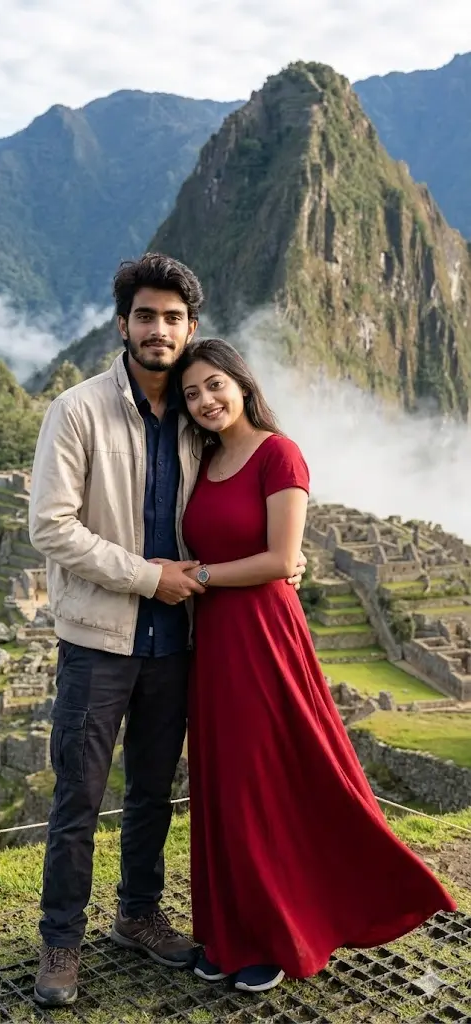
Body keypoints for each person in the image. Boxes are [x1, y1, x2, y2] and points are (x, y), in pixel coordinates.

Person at [28, 253, 307, 1006]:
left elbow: (246, 506)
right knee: (79, 796)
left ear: (191, 330)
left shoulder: (198, 424)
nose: (159, 329)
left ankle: (138, 915)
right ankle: (61, 942)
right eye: (145, 316)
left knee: (154, 792)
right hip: (100, 638)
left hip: (177, 643)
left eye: (173, 318)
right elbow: (50, 528)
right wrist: (153, 576)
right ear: (123, 325)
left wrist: (284, 559)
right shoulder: (79, 409)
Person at [176, 337, 457, 995]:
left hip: (264, 634)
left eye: (215, 384)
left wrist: (201, 575)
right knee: (223, 782)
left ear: (241, 382)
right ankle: (230, 931)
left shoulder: (280, 453)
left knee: (265, 777)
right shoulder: (208, 459)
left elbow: (281, 559)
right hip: (215, 639)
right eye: (192, 393)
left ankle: (280, 934)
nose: (205, 400)